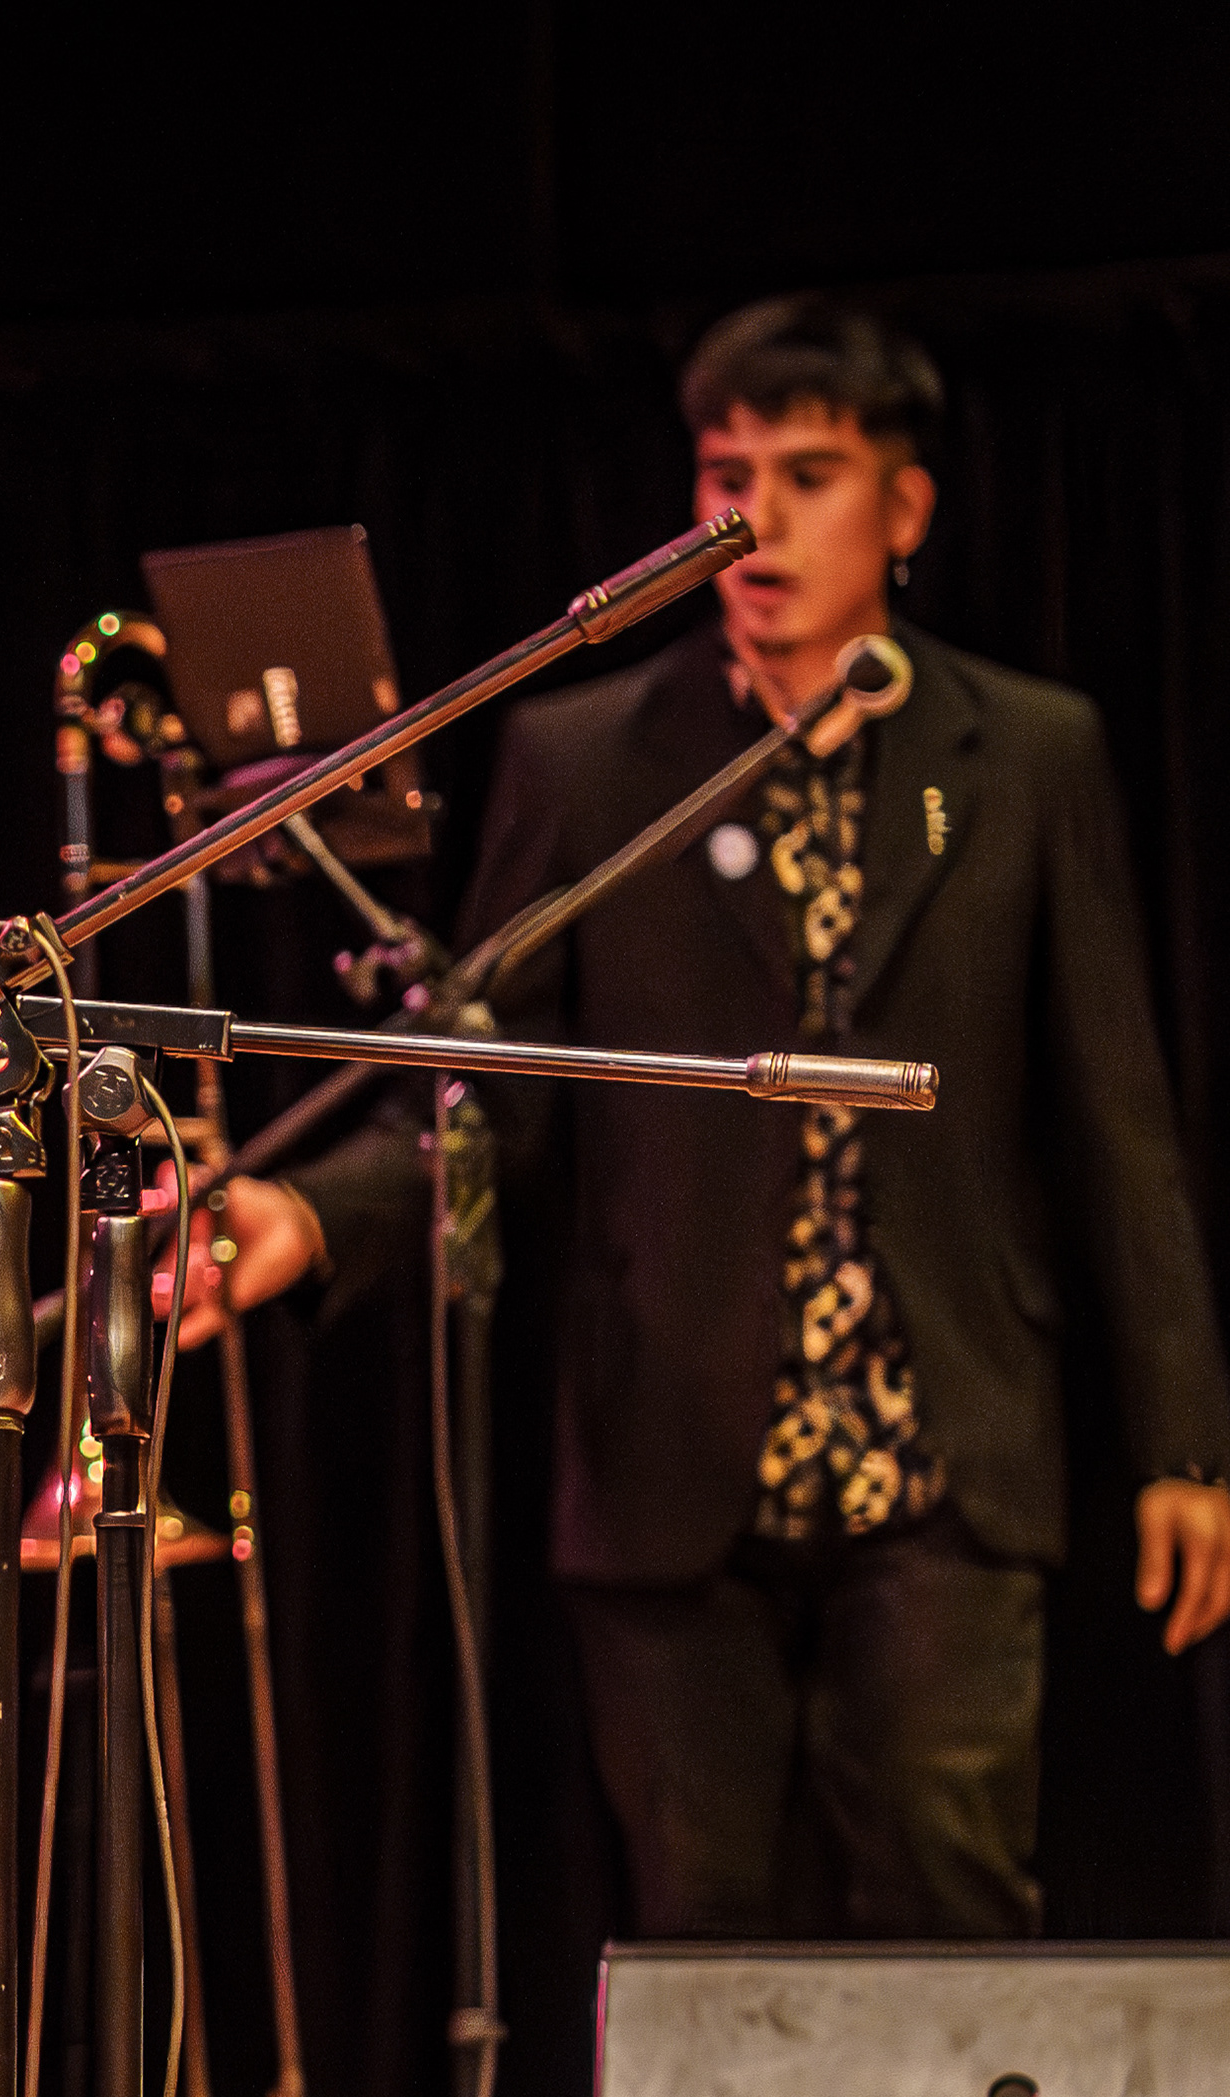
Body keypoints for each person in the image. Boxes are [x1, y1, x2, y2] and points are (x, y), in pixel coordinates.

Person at [193, 297, 1230, 1937]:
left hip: (944, 1449)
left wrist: (1186, 1445)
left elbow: (1122, 1121)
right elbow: (493, 1090)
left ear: (904, 507)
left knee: (953, 1907)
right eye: (728, 475)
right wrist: (318, 1213)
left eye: (810, 475)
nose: (758, 519)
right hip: (672, 1447)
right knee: (701, 1939)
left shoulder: (1027, 752)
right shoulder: (589, 756)